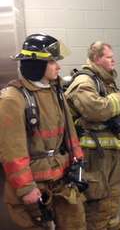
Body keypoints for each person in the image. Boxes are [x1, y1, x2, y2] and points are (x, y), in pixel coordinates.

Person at [0, 33, 87, 229]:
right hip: (36, 186)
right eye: (52, 61)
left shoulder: (55, 90)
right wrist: (26, 188)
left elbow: (69, 131)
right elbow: (12, 151)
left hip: (63, 180)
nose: (58, 66)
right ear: (36, 65)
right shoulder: (13, 99)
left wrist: (78, 160)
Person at [65, 41, 120, 230]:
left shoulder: (104, 79)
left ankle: (112, 223)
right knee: (97, 194)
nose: (114, 60)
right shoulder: (84, 82)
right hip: (92, 152)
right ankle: (99, 226)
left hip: (107, 148)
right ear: (96, 58)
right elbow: (97, 110)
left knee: (112, 189)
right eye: (109, 57)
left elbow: (118, 101)